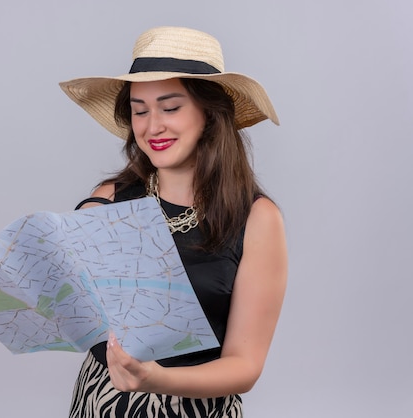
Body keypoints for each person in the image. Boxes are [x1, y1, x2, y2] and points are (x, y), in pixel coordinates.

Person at [59, 26, 287, 418]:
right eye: (139, 109)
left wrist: (155, 380)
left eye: (170, 107)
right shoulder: (108, 200)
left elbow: (245, 365)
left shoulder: (256, 219)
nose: (152, 126)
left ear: (210, 113)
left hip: (195, 410)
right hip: (103, 403)